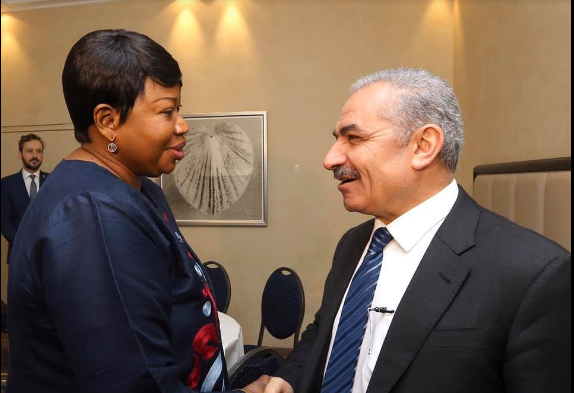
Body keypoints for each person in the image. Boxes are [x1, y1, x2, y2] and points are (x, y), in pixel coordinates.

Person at [264, 69, 571, 393]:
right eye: (336, 139)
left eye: (354, 138)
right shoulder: (353, 244)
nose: (330, 159)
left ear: (424, 145)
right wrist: (292, 376)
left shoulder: (533, 274)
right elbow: (325, 328)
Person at [7, 29, 267, 393]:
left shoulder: (138, 188)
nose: (182, 125)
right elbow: (135, 381)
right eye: (166, 111)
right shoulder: (92, 213)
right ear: (108, 121)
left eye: (179, 108)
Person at [1, 133, 49, 264]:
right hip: (18, 256)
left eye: (39, 151)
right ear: (20, 154)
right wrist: (24, 244)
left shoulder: (53, 181)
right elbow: (4, 221)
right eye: (29, 151)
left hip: (49, 256)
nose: (35, 155)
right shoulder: (6, 184)